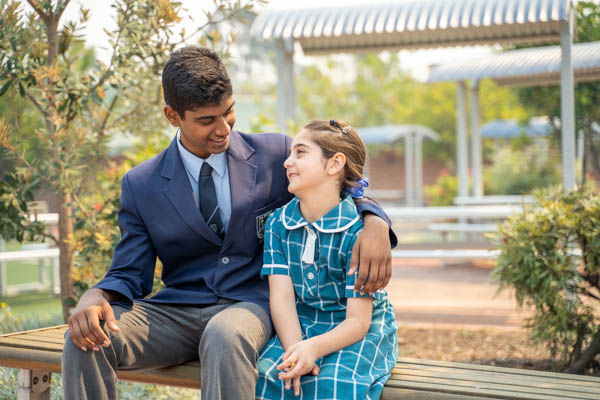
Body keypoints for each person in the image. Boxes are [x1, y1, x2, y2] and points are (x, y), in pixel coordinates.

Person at [61, 46, 397, 400]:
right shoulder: (141, 184)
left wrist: (374, 220)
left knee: (224, 332)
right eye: (207, 120)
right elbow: (130, 273)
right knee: (85, 339)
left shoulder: (274, 155)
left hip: (250, 307)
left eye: (229, 112)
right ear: (173, 116)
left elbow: (335, 184)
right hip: (176, 311)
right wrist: (95, 295)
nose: (223, 129)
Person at [255, 120, 398, 400]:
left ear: (334, 164)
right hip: (303, 322)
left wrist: (314, 349)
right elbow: (282, 298)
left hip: (356, 330)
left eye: (300, 152)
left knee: (332, 384)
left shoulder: (359, 234)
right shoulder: (278, 225)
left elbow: (358, 322)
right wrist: (297, 350)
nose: (287, 162)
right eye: (290, 153)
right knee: (269, 374)